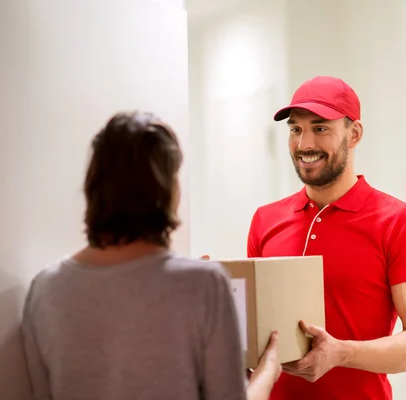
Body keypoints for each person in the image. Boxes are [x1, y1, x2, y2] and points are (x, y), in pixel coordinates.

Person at [21, 111, 281, 400]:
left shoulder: (44, 288)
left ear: (94, 187)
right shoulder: (204, 284)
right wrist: (268, 369)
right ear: (165, 189)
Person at [246, 76, 406, 400]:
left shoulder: (396, 221)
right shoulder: (265, 220)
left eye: (320, 128)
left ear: (354, 134)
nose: (305, 144)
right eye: (296, 129)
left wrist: (341, 353)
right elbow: (257, 333)